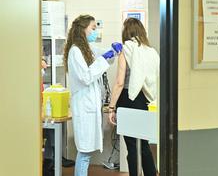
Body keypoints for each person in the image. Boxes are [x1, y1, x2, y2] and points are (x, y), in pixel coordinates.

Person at [63, 14, 122, 176]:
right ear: (83, 30)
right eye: (93, 28)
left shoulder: (86, 49)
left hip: (89, 106)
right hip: (83, 107)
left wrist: (112, 52)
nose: (96, 31)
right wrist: (104, 59)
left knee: (86, 153)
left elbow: (100, 55)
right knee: (84, 153)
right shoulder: (75, 51)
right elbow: (86, 77)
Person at [108, 18, 159, 176]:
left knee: (132, 147)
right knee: (143, 146)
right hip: (144, 100)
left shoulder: (126, 49)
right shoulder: (150, 51)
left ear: (126, 32)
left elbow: (119, 82)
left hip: (127, 99)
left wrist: (111, 107)